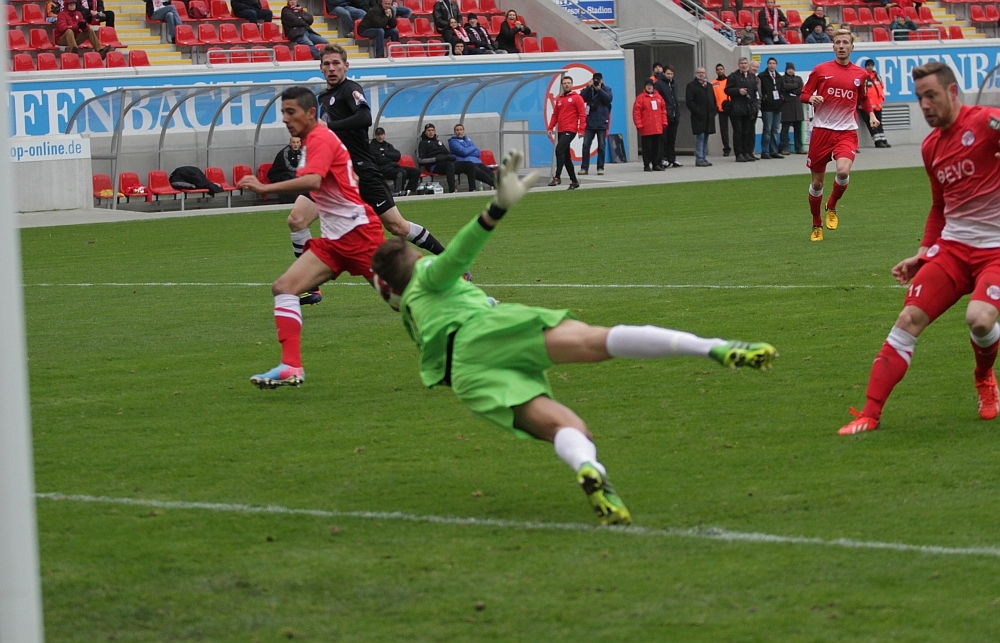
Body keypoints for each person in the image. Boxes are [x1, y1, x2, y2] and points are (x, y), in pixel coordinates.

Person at [370, 149, 777, 525]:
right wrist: (496, 208)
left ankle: (591, 471)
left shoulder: (409, 310)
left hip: (468, 375)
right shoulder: (427, 275)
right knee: (597, 341)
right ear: (416, 260)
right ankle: (715, 348)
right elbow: (458, 254)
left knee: (567, 428)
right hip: (488, 331)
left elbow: (415, 315)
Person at [837, 62, 1000, 435]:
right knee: (908, 319)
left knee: (979, 319)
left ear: (952, 92)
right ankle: (869, 414)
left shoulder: (987, 122)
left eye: (931, 96)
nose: (925, 105)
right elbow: (940, 207)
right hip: (953, 251)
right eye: (920, 97)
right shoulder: (930, 147)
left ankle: (984, 376)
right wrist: (924, 253)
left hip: (995, 251)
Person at [237, 87, 387, 389]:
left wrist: (265, 188)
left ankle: (470, 304)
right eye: (283, 112)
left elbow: (313, 180)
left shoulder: (319, 138)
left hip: (358, 235)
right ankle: (290, 366)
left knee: (405, 299)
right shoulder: (313, 139)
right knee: (284, 288)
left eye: (291, 112)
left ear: (309, 113)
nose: (285, 118)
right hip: (334, 240)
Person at [316, 45, 444, 257]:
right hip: (336, 171)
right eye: (327, 64)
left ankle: (450, 261)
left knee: (397, 226)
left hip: (361, 169)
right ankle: (310, 278)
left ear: (346, 66)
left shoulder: (350, 89)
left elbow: (364, 117)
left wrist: (328, 127)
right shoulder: (323, 98)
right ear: (320, 68)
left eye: (336, 63)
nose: (331, 68)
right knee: (298, 219)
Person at [800, 29, 878, 242]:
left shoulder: (860, 74)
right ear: (833, 46)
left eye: (845, 42)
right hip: (822, 131)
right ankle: (817, 222)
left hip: (846, 132)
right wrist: (811, 99)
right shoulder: (821, 70)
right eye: (838, 42)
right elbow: (804, 94)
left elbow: (864, 99)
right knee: (817, 184)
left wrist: (871, 115)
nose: (841, 46)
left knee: (843, 171)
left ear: (852, 47)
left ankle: (832, 205)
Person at [546, 75, 586, 190]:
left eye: (568, 83)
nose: (567, 85)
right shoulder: (559, 99)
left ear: (572, 84)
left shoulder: (577, 98)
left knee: (559, 149)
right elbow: (555, 115)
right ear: (562, 85)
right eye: (565, 83)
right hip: (561, 130)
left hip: (570, 129)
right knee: (566, 157)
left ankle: (557, 177)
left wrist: (581, 130)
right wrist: (550, 127)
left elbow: (582, 114)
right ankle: (574, 181)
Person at [419, 123, 475, 193]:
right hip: (434, 166)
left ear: (435, 131)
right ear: (425, 132)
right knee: (449, 165)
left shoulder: (438, 142)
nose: (431, 132)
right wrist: (436, 159)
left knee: (469, 164)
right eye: (429, 130)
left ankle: (472, 189)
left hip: (446, 163)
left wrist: (451, 157)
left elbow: (447, 154)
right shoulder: (422, 143)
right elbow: (421, 160)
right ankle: (452, 191)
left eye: (432, 130)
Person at [578, 72, 613, 176]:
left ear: (602, 81)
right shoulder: (590, 90)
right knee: (585, 145)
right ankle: (584, 168)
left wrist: (599, 90)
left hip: (601, 122)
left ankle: (600, 167)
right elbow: (581, 99)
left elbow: (609, 99)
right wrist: (588, 87)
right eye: (595, 80)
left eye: (599, 80)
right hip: (590, 122)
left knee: (601, 146)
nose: (597, 82)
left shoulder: (607, 89)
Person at [726, 57, 759, 163]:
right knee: (738, 131)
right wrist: (738, 91)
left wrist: (754, 106)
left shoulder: (752, 77)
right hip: (736, 108)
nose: (744, 65)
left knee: (747, 131)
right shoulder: (733, 76)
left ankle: (746, 152)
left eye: (745, 63)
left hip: (748, 108)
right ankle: (739, 153)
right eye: (741, 63)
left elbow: (754, 93)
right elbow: (727, 90)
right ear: (738, 65)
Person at [633, 79, 668, 172]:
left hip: (657, 127)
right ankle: (646, 164)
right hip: (646, 127)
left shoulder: (658, 97)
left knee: (657, 147)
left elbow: (663, 111)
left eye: (651, 85)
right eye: (647, 85)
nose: (649, 87)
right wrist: (639, 124)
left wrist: (664, 122)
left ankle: (656, 164)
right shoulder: (640, 98)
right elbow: (636, 113)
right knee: (647, 148)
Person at [652, 64, 682, 169]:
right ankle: (663, 158)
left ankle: (672, 158)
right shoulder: (659, 84)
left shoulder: (674, 84)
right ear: (664, 73)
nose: (670, 76)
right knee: (663, 138)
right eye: (668, 73)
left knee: (672, 138)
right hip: (665, 114)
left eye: (671, 74)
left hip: (674, 113)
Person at [685, 67, 716, 167]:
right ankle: (699, 158)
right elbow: (689, 102)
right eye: (699, 72)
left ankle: (704, 157)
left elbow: (713, 100)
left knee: (706, 137)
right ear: (696, 73)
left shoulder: (709, 86)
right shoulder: (691, 86)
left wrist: (713, 111)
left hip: (709, 116)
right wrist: (698, 111)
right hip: (698, 117)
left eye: (703, 72)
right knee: (700, 137)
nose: (701, 74)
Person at [449, 124, 496, 189]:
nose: (459, 131)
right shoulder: (453, 142)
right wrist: (473, 148)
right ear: (454, 132)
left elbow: (478, 153)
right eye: (457, 130)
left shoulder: (468, 140)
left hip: (477, 162)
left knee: (489, 172)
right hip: (466, 163)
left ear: (463, 131)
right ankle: (496, 185)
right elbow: (464, 152)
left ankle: (498, 184)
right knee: (483, 175)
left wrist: (468, 150)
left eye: (461, 130)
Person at [267, 136, 309, 204]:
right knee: (292, 177)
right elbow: (288, 167)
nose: (295, 144)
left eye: (297, 142)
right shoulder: (285, 152)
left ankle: (305, 200)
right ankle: (290, 201)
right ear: (290, 143)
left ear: (300, 143)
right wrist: (300, 171)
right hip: (278, 174)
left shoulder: (301, 152)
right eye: (293, 142)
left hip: (291, 173)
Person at [757, 57, 784, 160]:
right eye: (770, 63)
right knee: (767, 129)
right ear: (767, 64)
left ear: (776, 65)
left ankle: (774, 151)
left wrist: (781, 100)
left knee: (775, 130)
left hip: (777, 107)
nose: (772, 65)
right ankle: (765, 151)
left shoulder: (779, 77)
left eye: (773, 63)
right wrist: (764, 99)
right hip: (767, 107)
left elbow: (782, 90)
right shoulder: (762, 76)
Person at [862, 58, 891, 148]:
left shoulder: (877, 76)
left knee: (879, 122)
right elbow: (860, 91)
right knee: (871, 123)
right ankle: (877, 141)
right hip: (867, 106)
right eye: (868, 66)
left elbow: (881, 88)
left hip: (877, 104)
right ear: (865, 67)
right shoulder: (863, 77)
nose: (870, 67)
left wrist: (881, 100)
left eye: (871, 65)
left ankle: (883, 139)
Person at [779, 62, 805, 155]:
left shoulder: (798, 78)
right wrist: (794, 86)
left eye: (792, 69)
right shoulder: (782, 78)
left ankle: (799, 147)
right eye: (789, 69)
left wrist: (791, 88)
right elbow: (783, 88)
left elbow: (801, 89)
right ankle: (784, 148)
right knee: (785, 129)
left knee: (798, 129)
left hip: (797, 107)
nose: (790, 71)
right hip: (786, 107)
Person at [712, 63, 732, 157]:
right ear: (716, 71)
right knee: (724, 130)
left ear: (724, 70)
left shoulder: (729, 81)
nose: (720, 71)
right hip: (720, 109)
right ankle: (726, 148)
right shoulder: (713, 83)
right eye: (718, 69)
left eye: (721, 69)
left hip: (731, 107)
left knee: (736, 129)